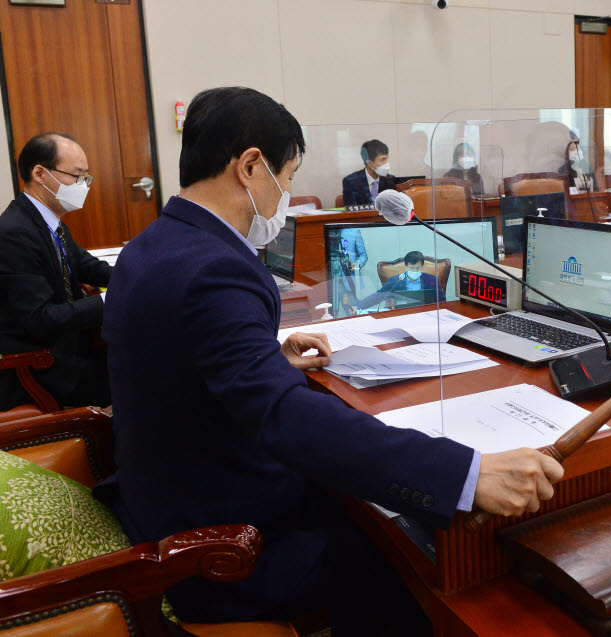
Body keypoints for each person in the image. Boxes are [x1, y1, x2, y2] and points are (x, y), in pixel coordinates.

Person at [93, 87, 562, 633]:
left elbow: (173, 359)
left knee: (368, 501)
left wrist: (266, 359)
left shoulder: (155, 243)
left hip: (163, 497)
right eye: (287, 176)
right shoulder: (215, 270)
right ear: (250, 166)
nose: (287, 194)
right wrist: (467, 472)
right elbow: (284, 419)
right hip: (216, 545)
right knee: (402, 559)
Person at [0, 133, 112, 411]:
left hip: (67, 346)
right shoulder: (14, 232)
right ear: (40, 173)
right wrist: (108, 301)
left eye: (86, 177)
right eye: (76, 176)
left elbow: (88, 267)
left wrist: (138, 273)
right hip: (42, 364)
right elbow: (41, 319)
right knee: (142, 373)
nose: (83, 186)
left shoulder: (48, 220)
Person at [348, 249, 445, 314]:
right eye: (412, 268)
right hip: (403, 315)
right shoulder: (396, 280)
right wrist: (358, 307)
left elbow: (442, 301)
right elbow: (379, 296)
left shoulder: (431, 279)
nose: (415, 271)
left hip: (426, 315)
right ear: (406, 266)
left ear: (422, 267)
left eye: (418, 268)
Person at [341, 139, 395, 205]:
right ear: (369, 163)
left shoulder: (390, 180)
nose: (386, 163)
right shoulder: (351, 182)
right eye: (383, 159)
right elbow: (351, 212)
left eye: (387, 158)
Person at [329, 227, 367, 317]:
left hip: (348, 281)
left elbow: (363, 255)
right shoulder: (327, 231)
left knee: (352, 314)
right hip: (331, 282)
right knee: (330, 315)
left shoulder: (354, 231)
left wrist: (358, 263)